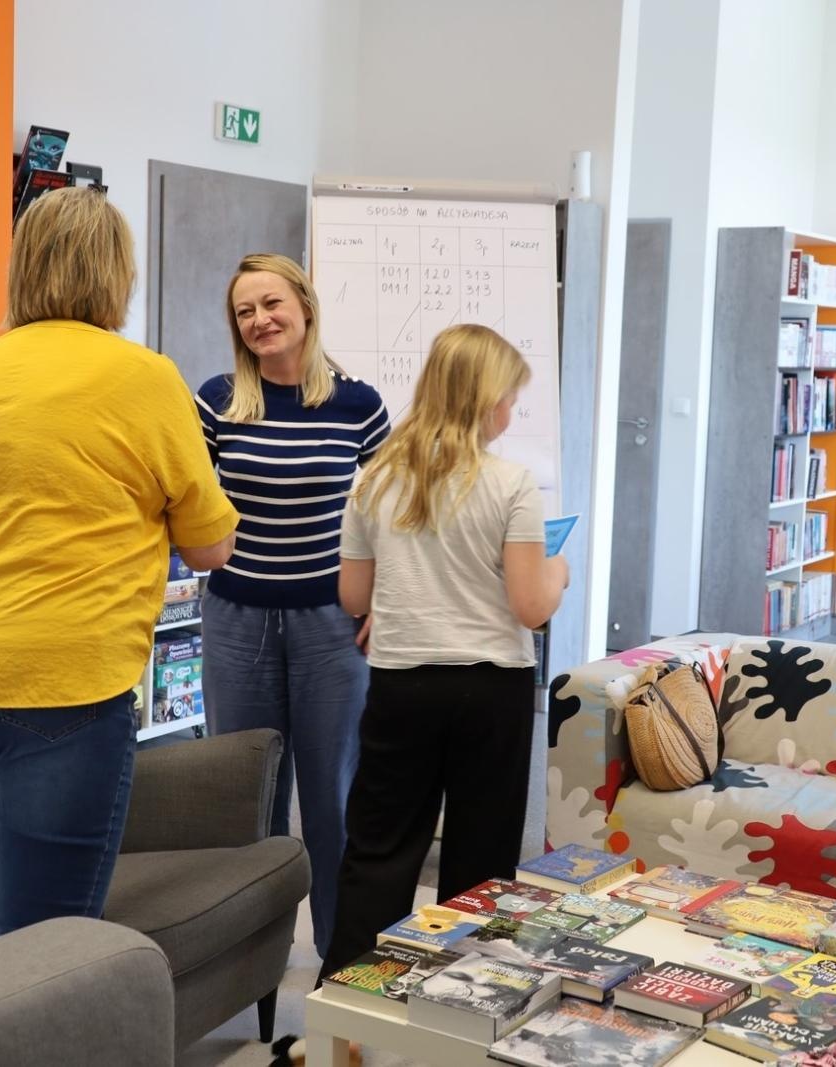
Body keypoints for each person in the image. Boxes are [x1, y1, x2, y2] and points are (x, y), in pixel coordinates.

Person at [0, 188, 238, 943]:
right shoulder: (145, 377)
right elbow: (212, 547)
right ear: (117, 274)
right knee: (52, 949)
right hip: (58, 682)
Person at [319, 323, 568, 980]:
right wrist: (560, 572)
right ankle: (465, 998)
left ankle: (346, 1004)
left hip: (402, 685)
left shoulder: (374, 479)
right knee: (481, 861)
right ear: (487, 399)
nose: (512, 414)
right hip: (492, 691)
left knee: (380, 849)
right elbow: (530, 606)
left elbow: (352, 597)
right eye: (510, 399)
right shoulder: (512, 484)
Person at [196, 253, 391, 959]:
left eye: (271, 303)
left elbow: (395, 509)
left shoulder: (358, 404)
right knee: (248, 802)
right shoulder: (216, 400)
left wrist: (385, 597)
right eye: (245, 311)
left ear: (305, 306)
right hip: (235, 620)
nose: (260, 321)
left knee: (332, 804)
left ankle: (341, 961)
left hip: (329, 628)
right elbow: (187, 499)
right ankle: (250, 958)